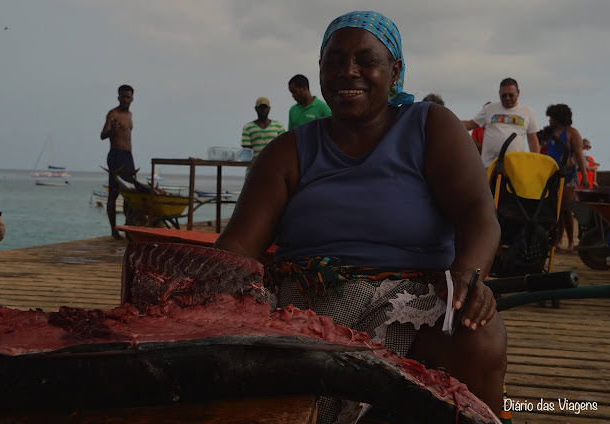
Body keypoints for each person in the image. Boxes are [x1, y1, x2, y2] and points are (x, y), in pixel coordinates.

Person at [215, 10, 506, 422]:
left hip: (415, 301)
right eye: (333, 62)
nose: (347, 72)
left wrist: (468, 275)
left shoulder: (430, 126)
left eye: (365, 61)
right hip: (308, 306)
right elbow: (237, 248)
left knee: (480, 333)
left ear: (395, 70)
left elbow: (478, 213)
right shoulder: (286, 151)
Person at [462, 78, 540, 167]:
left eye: (511, 95)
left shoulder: (527, 112)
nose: (507, 98)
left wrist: (535, 162)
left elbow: (533, 140)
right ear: (499, 93)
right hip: (489, 166)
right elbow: (471, 124)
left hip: (515, 166)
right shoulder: (489, 109)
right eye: (504, 95)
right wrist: (449, 123)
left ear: (518, 93)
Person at [545, 104, 591, 252]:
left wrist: (584, 176)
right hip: (553, 175)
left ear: (556, 117)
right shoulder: (552, 133)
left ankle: (570, 242)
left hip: (568, 175)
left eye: (551, 117)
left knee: (566, 208)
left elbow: (578, 154)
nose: (549, 120)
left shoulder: (572, 132)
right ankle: (558, 240)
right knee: (555, 209)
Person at [100, 84, 135, 240]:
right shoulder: (113, 114)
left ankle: (127, 228)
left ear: (132, 99)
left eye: (128, 96)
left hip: (128, 156)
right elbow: (102, 135)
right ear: (118, 97)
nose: (125, 99)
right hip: (116, 155)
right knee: (114, 194)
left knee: (130, 194)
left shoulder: (130, 115)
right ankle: (114, 231)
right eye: (122, 96)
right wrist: (112, 129)